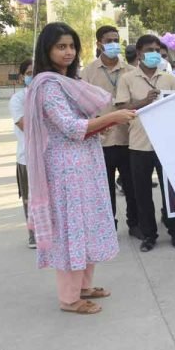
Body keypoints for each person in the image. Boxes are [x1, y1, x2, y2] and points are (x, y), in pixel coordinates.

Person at [24, 22, 136, 314]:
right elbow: (70, 127)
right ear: (47, 50)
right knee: (72, 230)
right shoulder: (48, 85)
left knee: (87, 225)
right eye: (61, 46)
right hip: (66, 170)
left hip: (84, 164)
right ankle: (69, 298)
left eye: (72, 46)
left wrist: (97, 128)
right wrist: (112, 119)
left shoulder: (67, 82)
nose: (68, 52)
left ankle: (84, 286)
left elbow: (78, 128)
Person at [115, 35, 175, 252]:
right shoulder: (127, 78)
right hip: (138, 145)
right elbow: (121, 108)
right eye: (149, 49)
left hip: (166, 144)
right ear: (139, 52)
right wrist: (144, 102)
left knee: (169, 192)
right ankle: (149, 235)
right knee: (142, 193)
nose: (154, 53)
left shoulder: (169, 78)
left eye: (157, 49)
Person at [81, 25, 142, 239]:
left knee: (132, 186)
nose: (113, 44)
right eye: (108, 40)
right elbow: (80, 105)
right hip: (101, 140)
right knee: (103, 189)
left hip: (128, 138)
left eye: (116, 40)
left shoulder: (131, 71)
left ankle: (135, 224)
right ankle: (108, 227)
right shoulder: (87, 73)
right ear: (99, 44)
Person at [9, 59, 36, 248]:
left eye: (37, 72)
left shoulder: (49, 96)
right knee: (30, 198)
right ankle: (33, 234)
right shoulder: (18, 99)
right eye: (29, 73)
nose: (33, 76)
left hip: (49, 156)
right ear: (22, 77)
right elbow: (26, 126)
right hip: (27, 159)